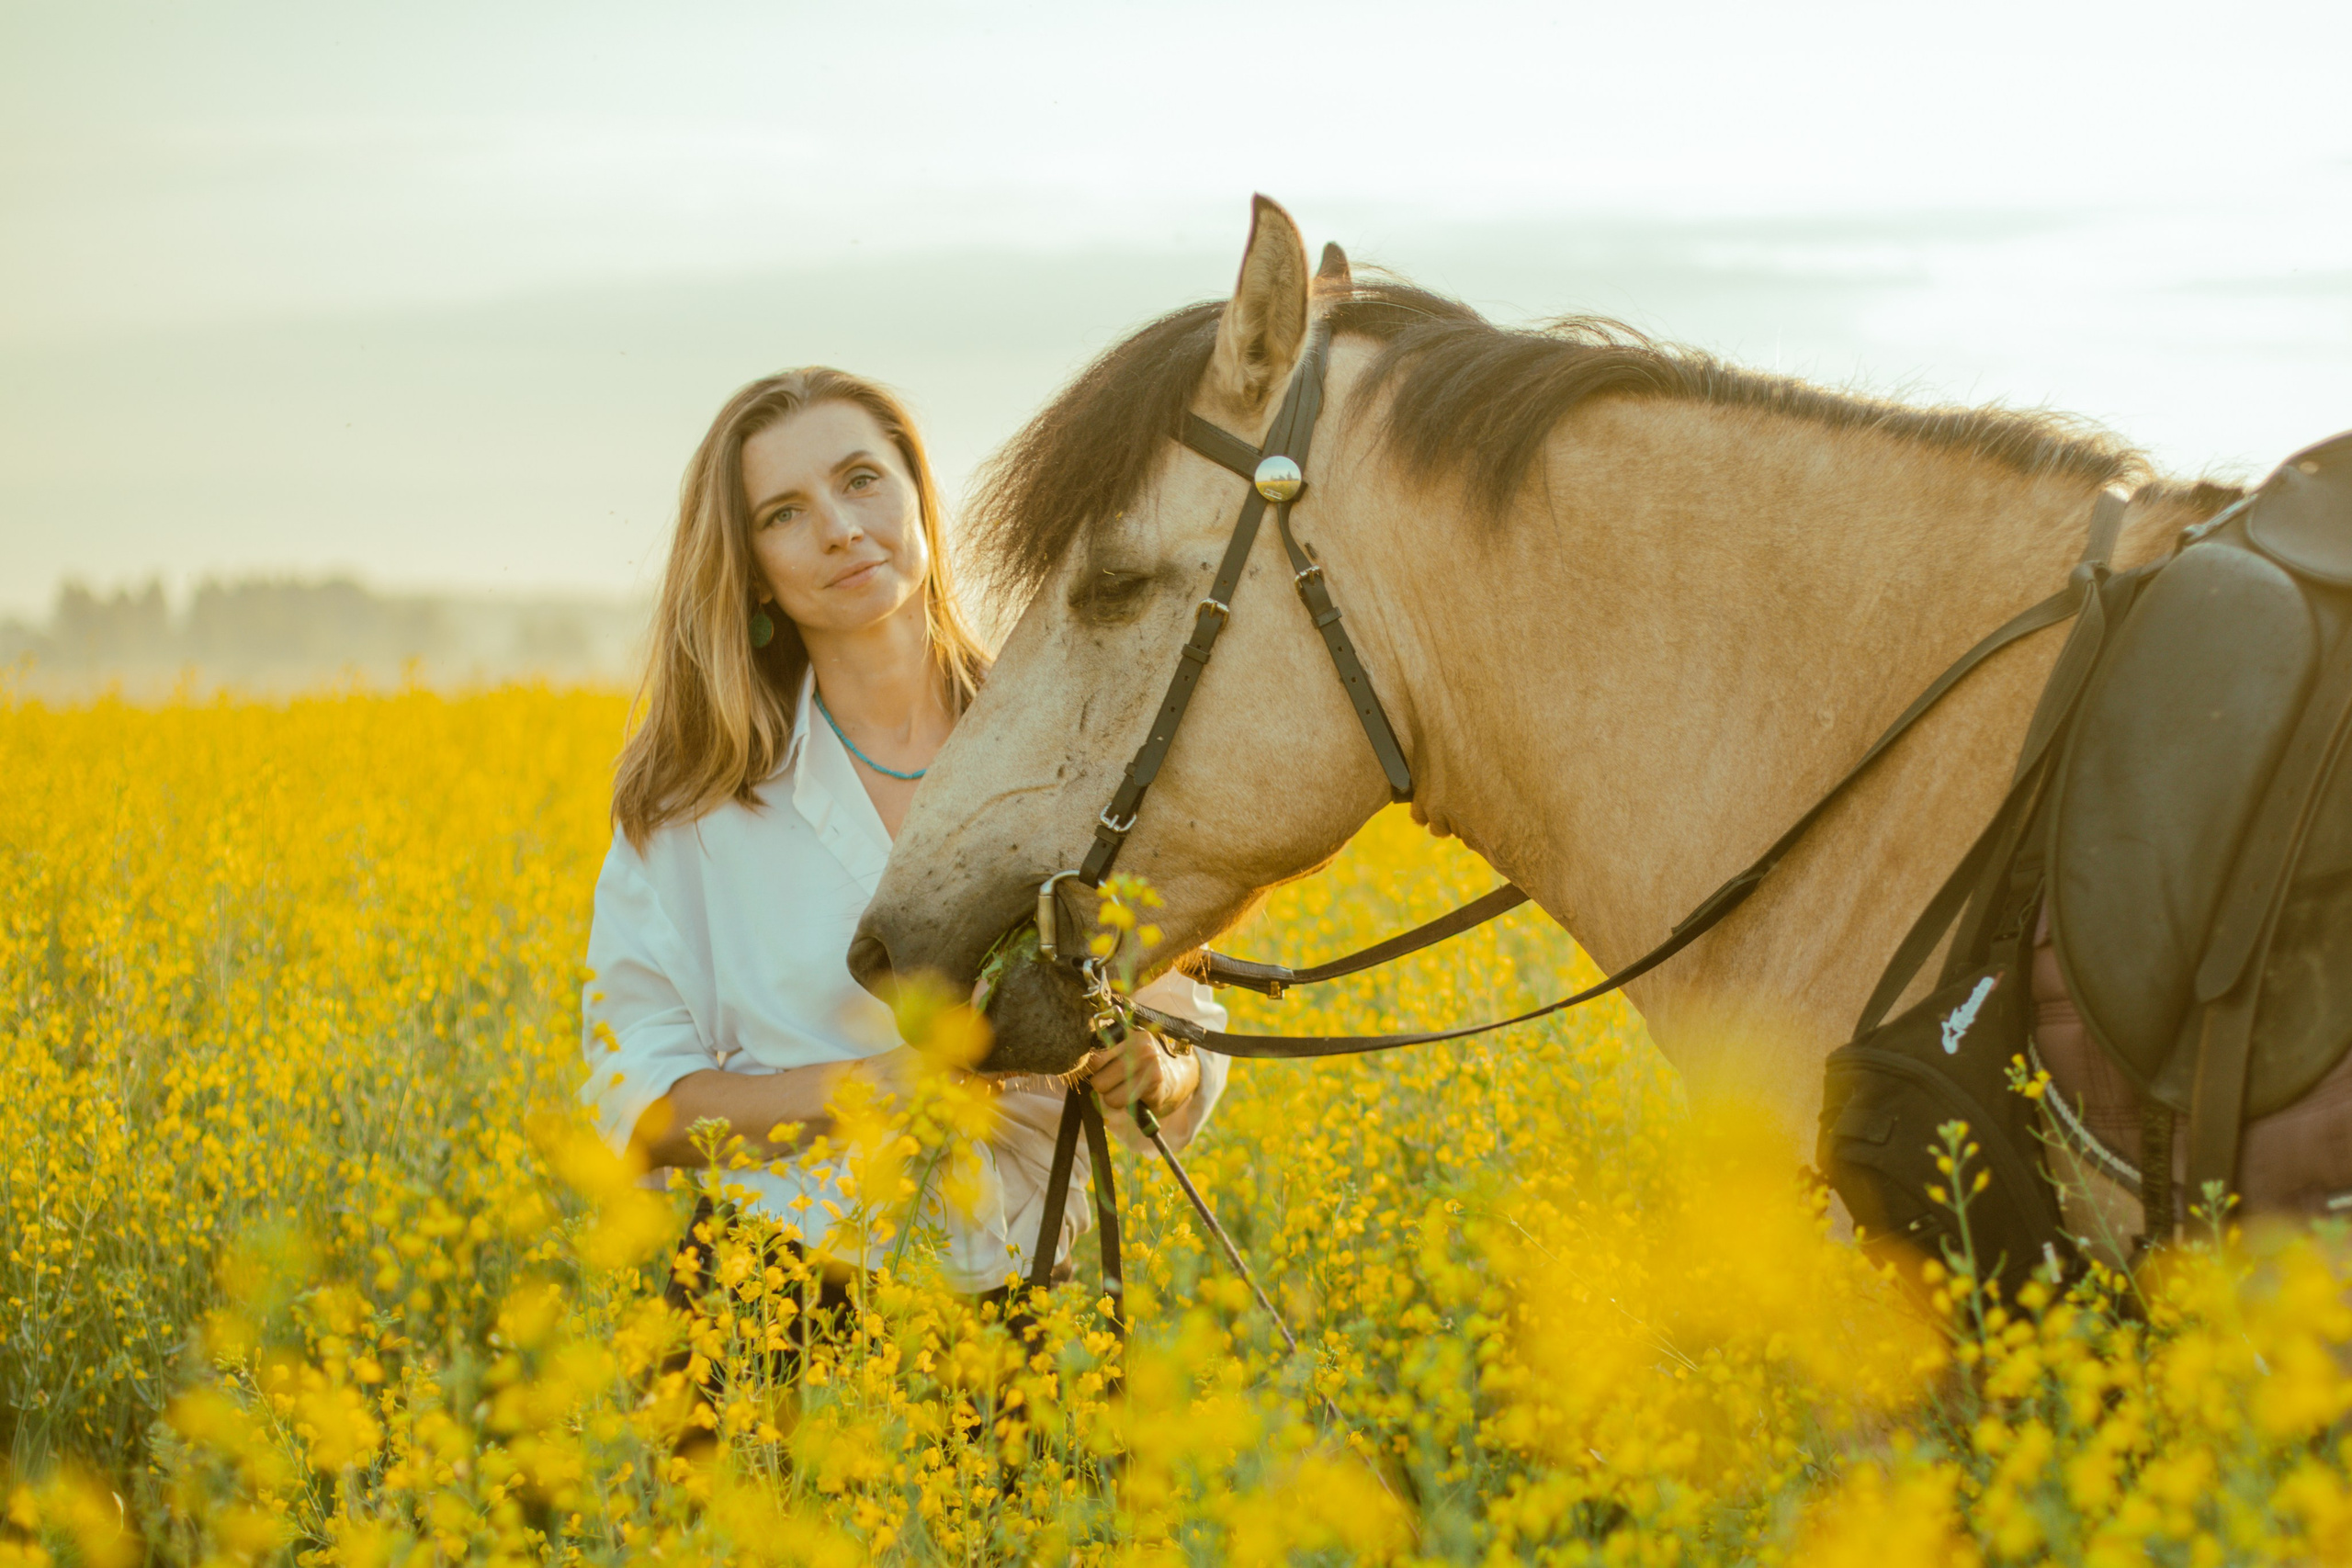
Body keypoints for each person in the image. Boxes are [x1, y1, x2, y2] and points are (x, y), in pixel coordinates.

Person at [579, 367, 1227, 1302]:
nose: (840, 527)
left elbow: (1179, 1015)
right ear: (752, 570)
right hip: (774, 1307)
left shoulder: (1077, 751)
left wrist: (1157, 1074)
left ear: (919, 495)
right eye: (782, 514)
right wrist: (869, 1090)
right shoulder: (696, 802)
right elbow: (637, 1105)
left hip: (1030, 1296)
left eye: (859, 480)